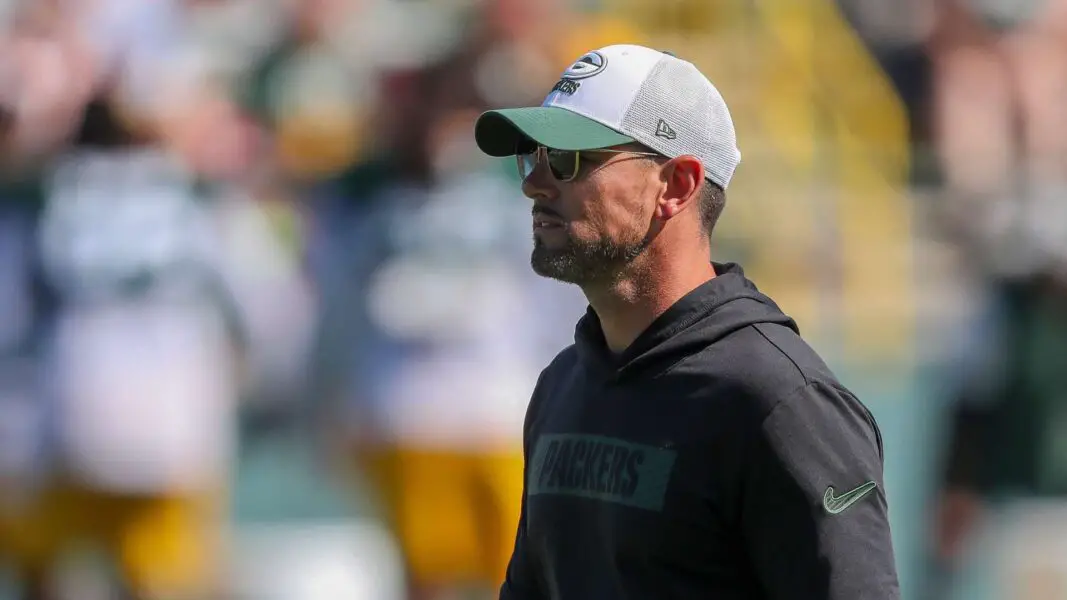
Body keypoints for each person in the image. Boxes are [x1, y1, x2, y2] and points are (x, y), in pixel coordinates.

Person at [472, 43, 901, 599]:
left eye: (569, 159)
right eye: (533, 155)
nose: (535, 183)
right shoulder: (562, 384)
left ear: (675, 186)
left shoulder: (778, 401)